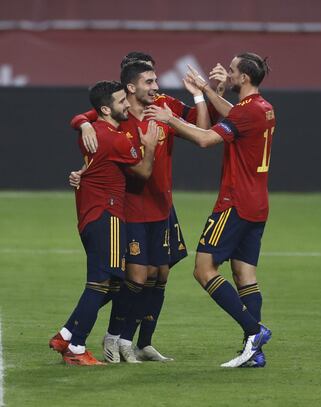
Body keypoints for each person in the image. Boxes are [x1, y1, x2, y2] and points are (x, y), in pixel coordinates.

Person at [69, 60, 210, 364]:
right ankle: (114, 336)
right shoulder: (117, 116)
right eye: (149, 81)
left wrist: (200, 96)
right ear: (130, 87)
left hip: (162, 206)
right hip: (129, 209)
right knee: (132, 277)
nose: (156, 87)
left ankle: (142, 342)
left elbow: (202, 130)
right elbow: (86, 117)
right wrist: (81, 123)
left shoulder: (162, 109)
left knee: (159, 275)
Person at [144, 52, 275, 368]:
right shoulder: (263, 108)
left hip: (235, 203)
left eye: (231, 71)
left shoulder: (246, 113)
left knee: (203, 270)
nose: (227, 73)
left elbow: (205, 139)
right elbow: (233, 113)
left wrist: (170, 119)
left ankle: (254, 332)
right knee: (245, 275)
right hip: (258, 204)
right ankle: (253, 353)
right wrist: (206, 90)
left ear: (243, 78)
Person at [49, 80, 159, 365]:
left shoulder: (94, 131)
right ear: (106, 108)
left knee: (111, 284)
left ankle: (65, 334)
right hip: (107, 216)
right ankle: (76, 348)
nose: (126, 104)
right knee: (99, 284)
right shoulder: (116, 138)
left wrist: (83, 123)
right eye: (122, 101)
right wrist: (149, 147)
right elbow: (144, 172)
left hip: (91, 216)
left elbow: (85, 123)